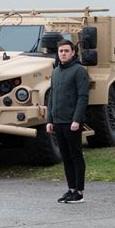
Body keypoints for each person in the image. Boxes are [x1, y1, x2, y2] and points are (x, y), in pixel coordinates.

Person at [47, 39, 90, 204]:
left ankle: (79, 192)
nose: (63, 53)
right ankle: (71, 189)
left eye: (66, 51)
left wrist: (77, 119)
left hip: (72, 122)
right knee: (66, 157)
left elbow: (83, 97)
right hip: (57, 121)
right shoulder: (56, 71)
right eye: (60, 51)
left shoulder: (79, 70)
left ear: (73, 52)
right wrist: (49, 119)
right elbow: (52, 97)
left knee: (76, 156)